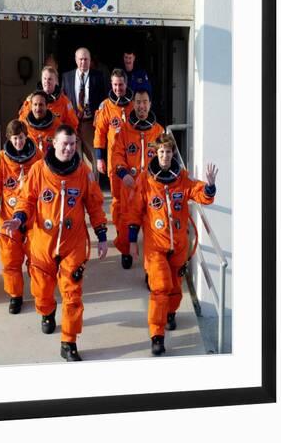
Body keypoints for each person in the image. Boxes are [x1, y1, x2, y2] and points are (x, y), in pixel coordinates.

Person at [2, 125, 108, 361]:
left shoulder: (83, 172)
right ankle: (47, 312)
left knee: (72, 294)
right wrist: (19, 218)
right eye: (65, 144)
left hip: (73, 244)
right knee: (41, 290)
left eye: (72, 144)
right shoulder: (39, 170)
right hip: (43, 243)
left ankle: (69, 342)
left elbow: (94, 205)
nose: (69, 149)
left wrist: (101, 235)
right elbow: (26, 200)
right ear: (54, 145)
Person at [124, 133, 218, 356]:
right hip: (156, 247)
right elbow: (134, 211)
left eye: (168, 152)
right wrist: (131, 241)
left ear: (172, 153)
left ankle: (170, 313)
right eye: (161, 152)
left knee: (175, 289)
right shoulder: (146, 181)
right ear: (156, 154)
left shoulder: (181, 178)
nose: (165, 156)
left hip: (179, 246)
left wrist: (210, 187)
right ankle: (157, 335)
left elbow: (198, 192)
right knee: (160, 288)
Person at [0, 119, 43, 314]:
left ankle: (40, 294)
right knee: (10, 259)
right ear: (10, 138)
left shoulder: (38, 157)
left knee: (38, 260)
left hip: (33, 218)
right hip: (9, 217)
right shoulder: (1, 159)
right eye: (15, 139)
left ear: (27, 137)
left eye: (22, 138)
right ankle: (15, 295)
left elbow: (46, 184)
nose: (18, 142)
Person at [112, 88, 164, 269]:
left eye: (145, 102)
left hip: (151, 189)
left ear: (150, 104)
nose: (141, 106)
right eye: (138, 102)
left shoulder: (158, 131)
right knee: (126, 224)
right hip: (130, 187)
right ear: (133, 104)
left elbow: (166, 156)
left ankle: (152, 271)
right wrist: (123, 173)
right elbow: (117, 154)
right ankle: (126, 251)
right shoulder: (124, 131)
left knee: (152, 230)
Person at [93, 68, 134, 228]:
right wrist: (99, 158)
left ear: (126, 83)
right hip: (114, 160)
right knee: (117, 198)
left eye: (121, 84)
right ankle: (120, 231)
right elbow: (100, 134)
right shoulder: (106, 107)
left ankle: (132, 228)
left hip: (134, 159)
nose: (118, 88)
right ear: (111, 84)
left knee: (134, 197)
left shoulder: (134, 104)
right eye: (115, 85)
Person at [62, 47, 106, 174]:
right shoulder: (67, 76)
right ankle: (77, 189)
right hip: (72, 123)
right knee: (73, 156)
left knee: (92, 158)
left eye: (86, 59)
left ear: (90, 60)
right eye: (80, 59)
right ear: (76, 60)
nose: (83, 62)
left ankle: (92, 189)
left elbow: (103, 101)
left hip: (90, 123)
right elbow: (63, 99)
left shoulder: (98, 76)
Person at [19, 66, 79, 131]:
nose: (47, 81)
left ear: (56, 81)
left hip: (55, 138)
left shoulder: (64, 102)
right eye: (44, 79)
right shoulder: (32, 100)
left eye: (50, 79)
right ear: (41, 80)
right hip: (34, 138)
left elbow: (72, 125)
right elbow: (22, 122)